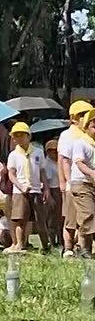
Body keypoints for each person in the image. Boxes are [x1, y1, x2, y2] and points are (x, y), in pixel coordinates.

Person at [5, 121, 49, 253]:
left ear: (29, 136)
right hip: (20, 191)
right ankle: (20, 244)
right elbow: (11, 175)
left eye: (22, 135)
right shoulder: (13, 155)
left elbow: (42, 172)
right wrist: (20, 186)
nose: (19, 138)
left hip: (36, 189)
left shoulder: (38, 152)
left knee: (40, 219)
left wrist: (46, 189)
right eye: (16, 135)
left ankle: (46, 245)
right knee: (20, 219)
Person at [59, 101, 93, 258]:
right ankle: (68, 248)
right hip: (74, 182)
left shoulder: (88, 137)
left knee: (83, 218)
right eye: (81, 115)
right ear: (73, 118)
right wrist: (65, 181)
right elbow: (64, 160)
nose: (83, 118)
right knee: (71, 219)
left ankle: (81, 247)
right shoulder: (68, 135)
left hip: (86, 183)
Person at [67, 110, 95, 257]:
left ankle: (84, 248)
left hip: (92, 184)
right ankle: (84, 249)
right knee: (88, 214)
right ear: (86, 126)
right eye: (93, 124)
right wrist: (91, 173)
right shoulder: (81, 143)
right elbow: (79, 162)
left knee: (88, 216)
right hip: (81, 183)